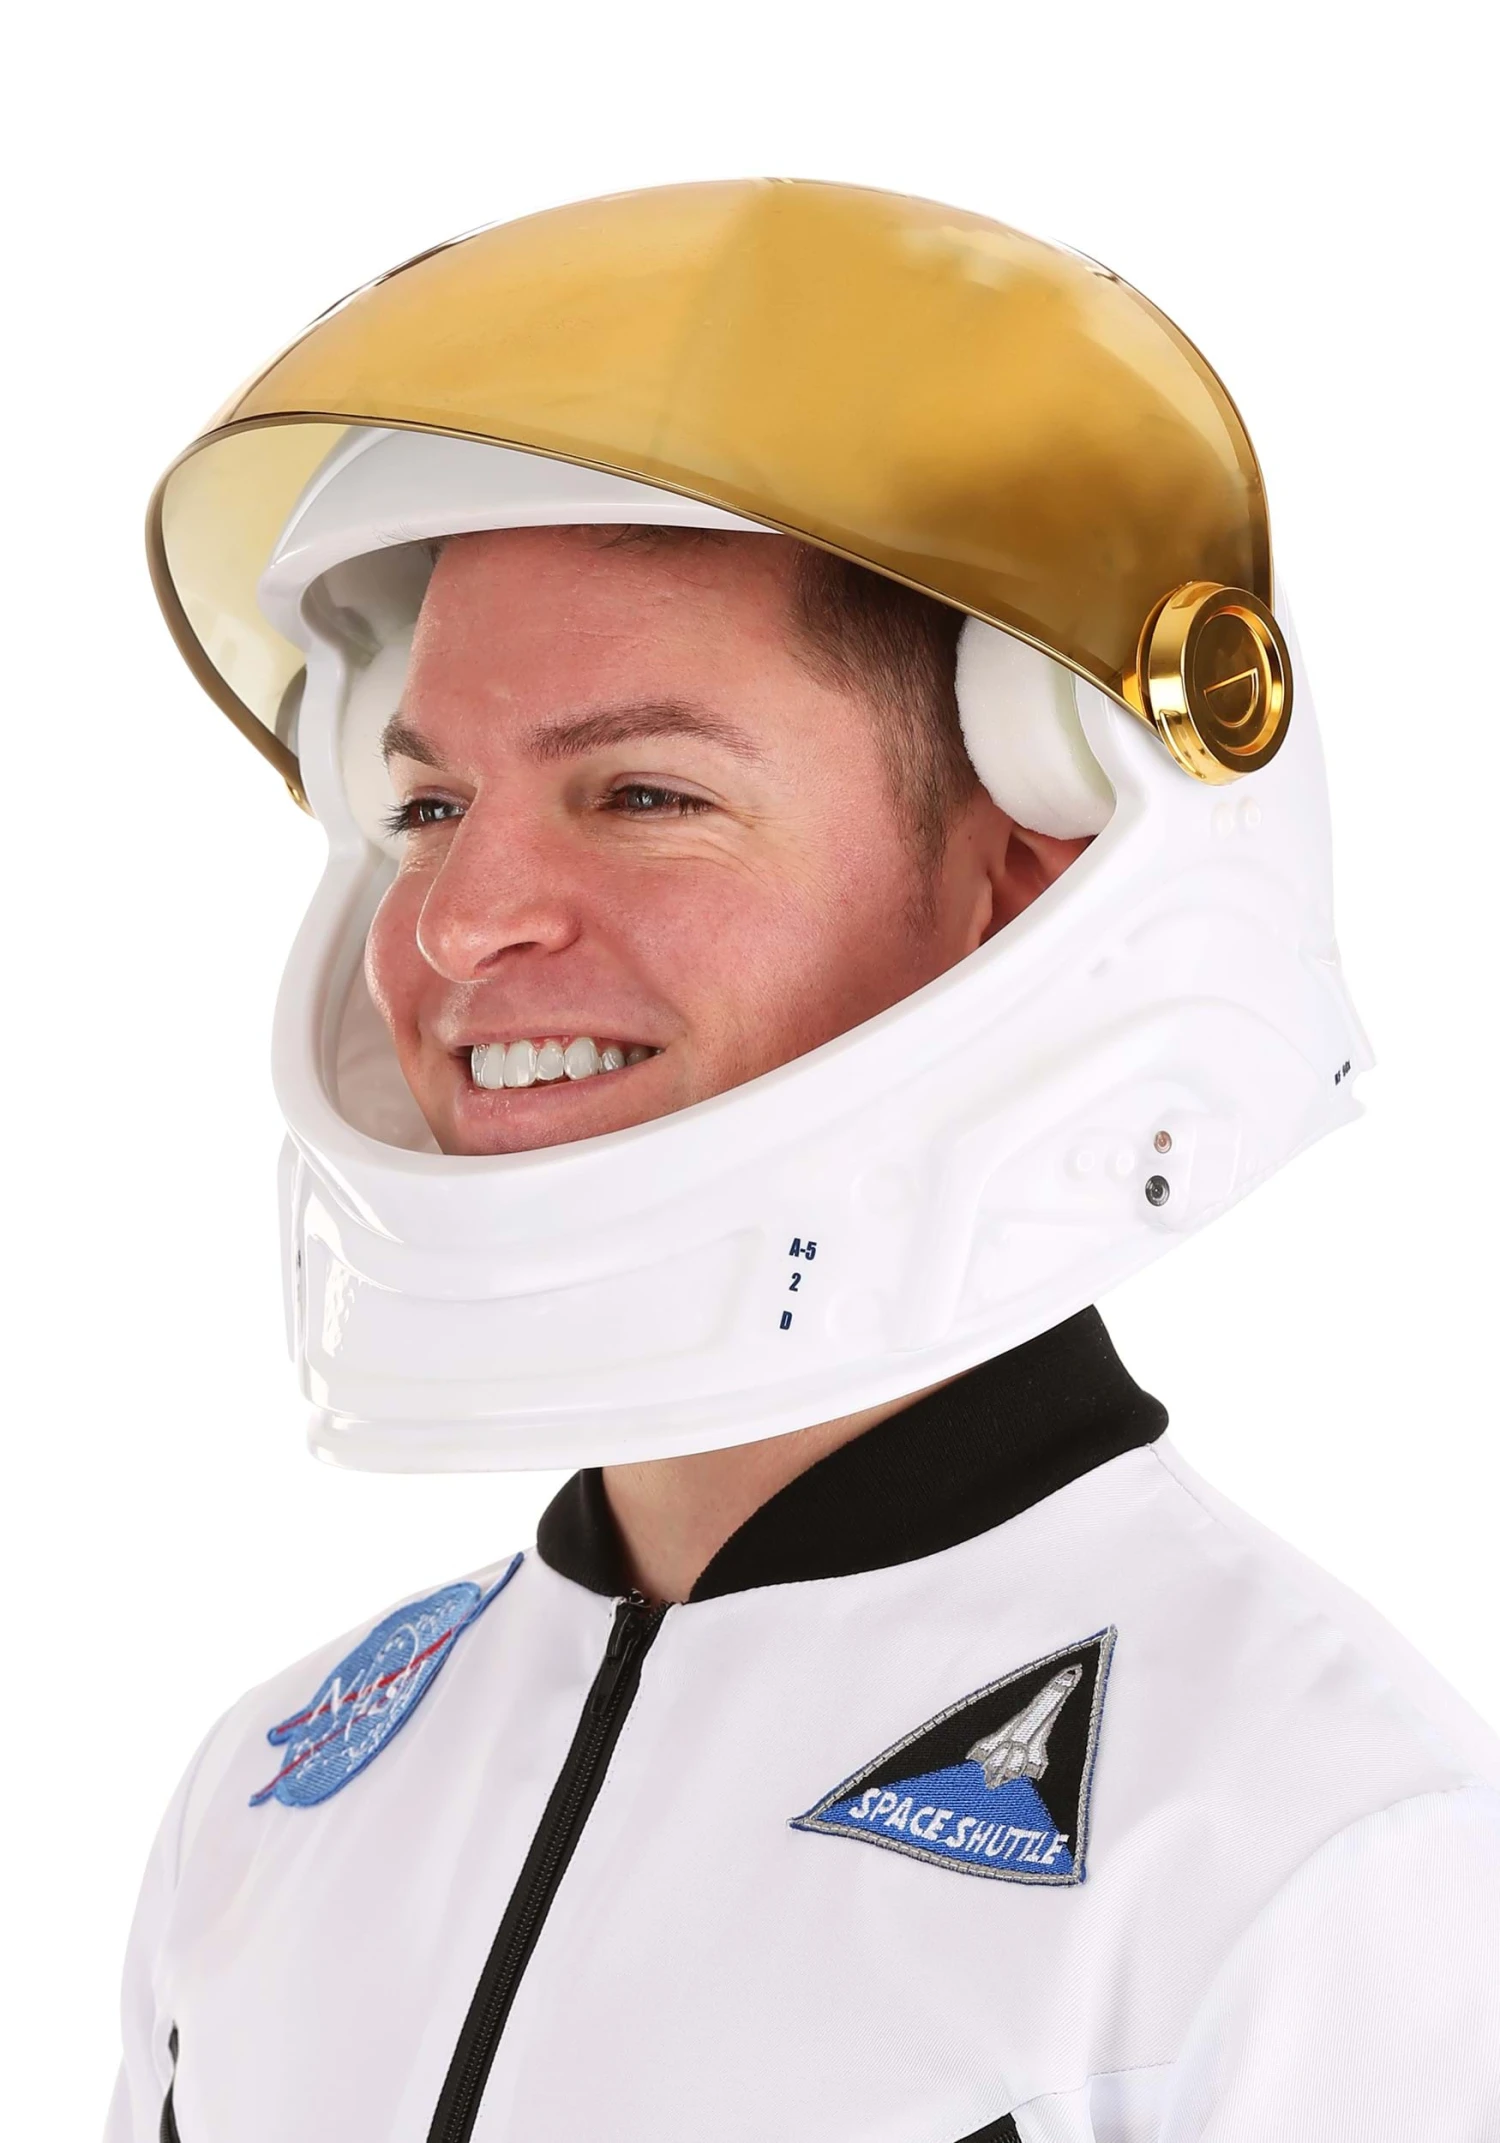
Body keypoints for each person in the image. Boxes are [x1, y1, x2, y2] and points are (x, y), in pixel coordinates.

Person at [113, 181, 1499, 2142]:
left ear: (1024, 873)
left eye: (643, 792)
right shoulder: (279, 1791)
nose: (459, 921)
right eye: (425, 805)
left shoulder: (1309, 1847)